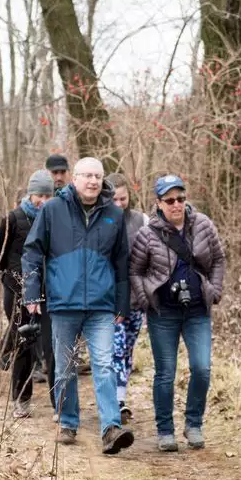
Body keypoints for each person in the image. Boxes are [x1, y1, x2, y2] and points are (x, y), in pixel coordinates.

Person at [22, 156, 132, 454]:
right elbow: (32, 252)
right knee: (65, 368)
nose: (93, 181)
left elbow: (122, 262)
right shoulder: (53, 210)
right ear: (75, 179)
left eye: (98, 176)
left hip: (101, 306)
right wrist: (31, 294)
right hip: (63, 303)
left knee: (104, 365)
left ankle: (110, 427)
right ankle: (69, 421)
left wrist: (123, 304)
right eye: (87, 176)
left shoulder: (114, 215)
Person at [129, 174, 226, 453]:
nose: (176, 205)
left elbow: (218, 259)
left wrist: (215, 289)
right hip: (164, 313)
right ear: (158, 203)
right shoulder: (147, 234)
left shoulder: (203, 224)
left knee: (202, 368)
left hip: (198, 310)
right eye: (169, 200)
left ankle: (193, 424)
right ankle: (165, 430)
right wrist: (146, 297)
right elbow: (134, 270)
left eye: (181, 199)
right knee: (165, 373)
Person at [0, 169, 56, 418]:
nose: (42, 200)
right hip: (17, 290)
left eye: (47, 195)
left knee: (52, 345)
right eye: (39, 195)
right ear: (30, 194)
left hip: (48, 290)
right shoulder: (13, 219)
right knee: (24, 343)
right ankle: (21, 398)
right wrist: (9, 279)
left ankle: (58, 402)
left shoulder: (54, 219)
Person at [108, 173, 147, 421]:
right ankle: (117, 401)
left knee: (128, 351)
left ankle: (119, 394)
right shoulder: (101, 221)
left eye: (123, 198)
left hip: (136, 299)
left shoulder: (141, 220)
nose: (119, 203)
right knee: (117, 350)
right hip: (110, 300)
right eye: (114, 199)